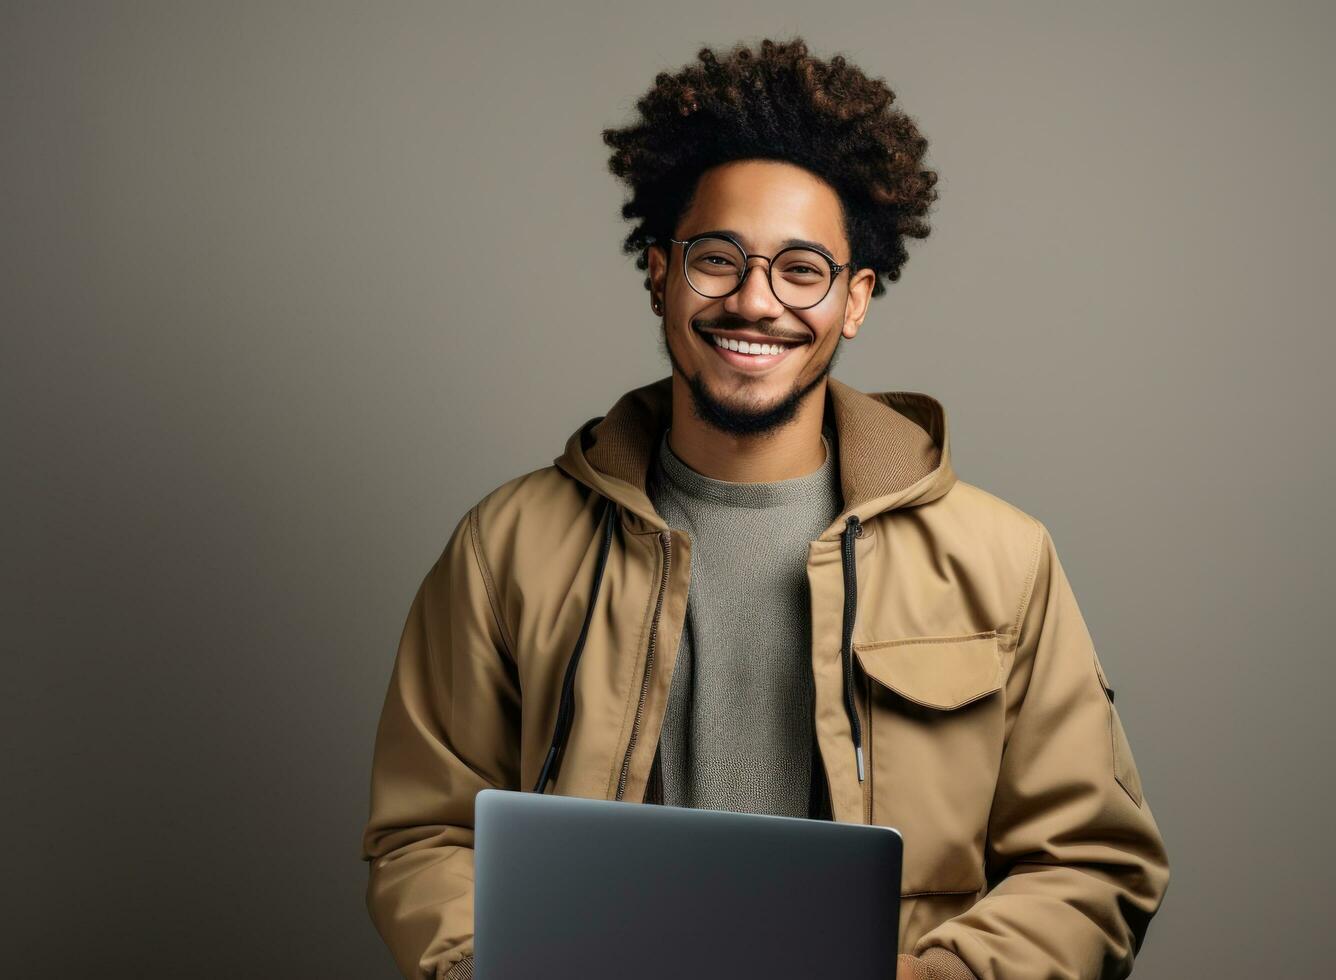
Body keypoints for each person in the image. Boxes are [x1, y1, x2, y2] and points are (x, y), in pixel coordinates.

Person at [361, 37, 1170, 980]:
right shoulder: (508, 548)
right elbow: (424, 834)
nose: (755, 301)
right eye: (717, 259)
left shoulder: (1000, 559)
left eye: (800, 269)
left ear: (854, 299)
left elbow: (1089, 859)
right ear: (659, 272)